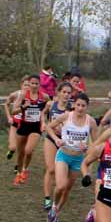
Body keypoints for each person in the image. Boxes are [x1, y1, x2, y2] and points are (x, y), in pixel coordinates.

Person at [46, 92, 97, 222]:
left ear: (87, 107)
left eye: (83, 106)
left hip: (78, 159)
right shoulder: (66, 116)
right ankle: (53, 206)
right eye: (78, 105)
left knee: (67, 189)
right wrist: (57, 139)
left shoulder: (90, 121)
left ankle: (56, 212)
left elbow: (96, 143)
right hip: (63, 155)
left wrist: (87, 148)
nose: (80, 108)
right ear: (74, 104)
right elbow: (48, 127)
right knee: (61, 186)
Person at [40, 82, 74, 210]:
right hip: (51, 139)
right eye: (64, 92)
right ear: (58, 92)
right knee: (51, 169)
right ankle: (47, 199)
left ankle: (59, 190)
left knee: (65, 174)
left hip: (65, 142)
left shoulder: (71, 109)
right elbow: (43, 113)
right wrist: (43, 123)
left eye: (69, 93)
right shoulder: (51, 104)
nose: (66, 95)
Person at [14, 74, 46, 185]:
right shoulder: (23, 95)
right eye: (32, 83)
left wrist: (44, 122)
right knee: (20, 153)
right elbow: (13, 111)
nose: (34, 85)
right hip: (23, 125)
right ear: (29, 83)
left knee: (28, 150)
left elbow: (47, 109)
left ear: (39, 85)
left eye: (36, 83)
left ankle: (25, 170)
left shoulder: (44, 97)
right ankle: (18, 174)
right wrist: (23, 107)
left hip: (36, 127)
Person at [3, 78, 29, 171]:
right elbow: (6, 104)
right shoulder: (15, 94)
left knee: (23, 148)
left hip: (26, 125)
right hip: (15, 124)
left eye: (29, 85)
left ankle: (18, 165)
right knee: (13, 147)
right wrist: (9, 117)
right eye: (25, 84)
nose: (27, 87)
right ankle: (11, 151)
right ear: (21, 85)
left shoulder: (33, 97)